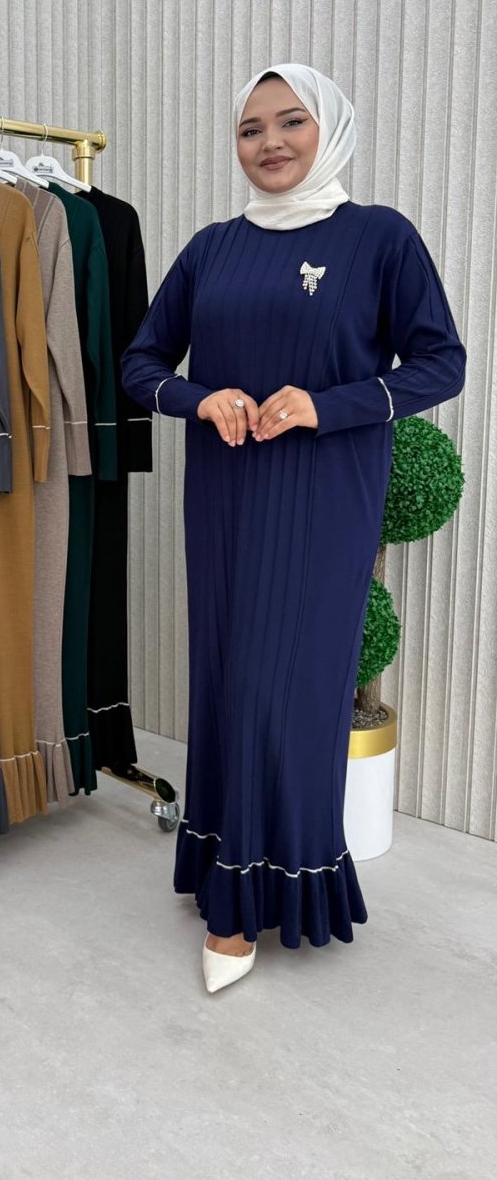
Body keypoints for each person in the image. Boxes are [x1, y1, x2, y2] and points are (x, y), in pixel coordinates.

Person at [121, 64, 466, 993]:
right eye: (250, 128)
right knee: (228, 677)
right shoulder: (212, 248)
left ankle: (253, 902)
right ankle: (224, 863)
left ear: (330, 130)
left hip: (325, 497)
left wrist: (326, 404)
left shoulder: (379, 238)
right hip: (227, 495)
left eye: (290, 122)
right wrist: (201, 398)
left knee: (293, 691)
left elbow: (441, 362)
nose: (269, 142)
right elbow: (141, 363)